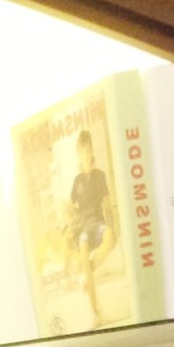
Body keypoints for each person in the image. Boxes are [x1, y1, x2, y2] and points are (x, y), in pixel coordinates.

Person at [64, 129, 116, 327]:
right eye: (83, 151)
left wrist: (113, 227)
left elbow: (107, 205)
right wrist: (67, 211)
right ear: (78, 154)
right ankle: (95, 313)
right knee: (84, 245)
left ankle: (85, 274)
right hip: (85, 230)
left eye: (89, 150)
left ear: (92, 151)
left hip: (99, 226)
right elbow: (73, 209)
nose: (87, 154)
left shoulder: (100, 176)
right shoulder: (77, 181)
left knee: (108, 236)